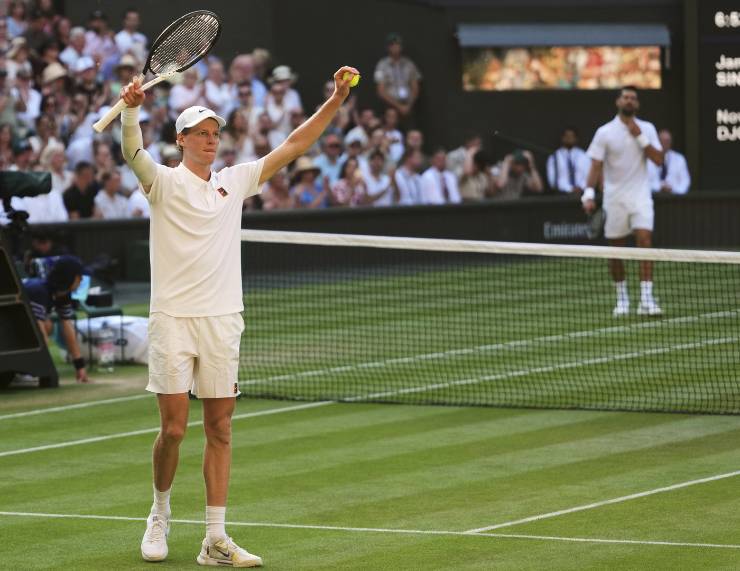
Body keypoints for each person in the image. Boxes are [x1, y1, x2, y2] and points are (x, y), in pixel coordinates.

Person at [119, 64, 359, 567]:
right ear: (181, 140)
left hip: (223, 320)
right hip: (172, 319)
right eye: (201, 134)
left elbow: (294, 145)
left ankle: (214, 539)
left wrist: (336, 99)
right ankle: (159, 513)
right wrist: (131, 113)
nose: (211, 141)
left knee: (221, 428)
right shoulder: (161, 181)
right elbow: (132, 153)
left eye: (215, 134)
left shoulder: (234, 181)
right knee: (174, 429)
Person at [582, 86, 664, 317]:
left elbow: (658, 160)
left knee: (644, 241)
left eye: (633, 98)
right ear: (618, 102)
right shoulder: (604, 132)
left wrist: (640, 136)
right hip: (614, 198)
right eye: (625, 97)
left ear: (637, 104)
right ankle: (622, 299)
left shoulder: (647, 128)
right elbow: (596, 165)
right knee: (616, 251)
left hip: (640, 196)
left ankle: (646, 299)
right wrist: (588, 194)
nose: (629, 101)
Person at [22, 255, 90, 383]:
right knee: (45, 327)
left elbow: (68, 327)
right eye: (79, 276)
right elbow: (39, 332)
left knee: (48, 326)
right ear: (68, 277)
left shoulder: (63, 295)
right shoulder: (38, 290)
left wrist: (79, 366)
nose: (81, 279)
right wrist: (46, 371)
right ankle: (23, 371)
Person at [374, 33, 421, 124]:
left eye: (397, 45)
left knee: (411, 128)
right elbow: (381, 91)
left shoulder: (409, 64)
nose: (395, 47)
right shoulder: (382, 65)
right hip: (390, 106)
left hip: (408, 105)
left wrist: (408, 105)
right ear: (388, 48)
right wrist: (398, 106)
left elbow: (415, 87)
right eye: (392, 45)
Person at [546, 127, 590, 194]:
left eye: (571, 136)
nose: (569, 138)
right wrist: (570, 189)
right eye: (567, 136)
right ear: (562, 138)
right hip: (561, 195)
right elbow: (552, 180)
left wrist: (581, 187)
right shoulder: (554, 157)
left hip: (583, 193)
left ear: (576, 139)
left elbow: (589, 176)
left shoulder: (584, 156)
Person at [648, 128, 690, 195]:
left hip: (674, 198)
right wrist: (659, 187)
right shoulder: (648, 159)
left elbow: (685, 182)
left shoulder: (679, 159)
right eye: (662, 141)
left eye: (667, 141)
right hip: (653, 196)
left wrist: (673, 189)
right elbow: (643, 182)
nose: (665, 143)